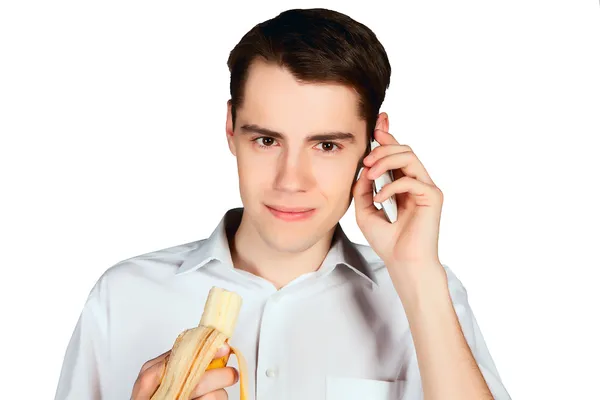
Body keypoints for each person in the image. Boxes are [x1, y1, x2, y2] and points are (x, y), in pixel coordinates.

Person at [54, 8, 511, 400]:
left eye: (326, 146)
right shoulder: (122, 297)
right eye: (268, 140)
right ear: (231, 128)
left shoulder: (428, 292)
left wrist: (416, 275)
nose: (291, 181)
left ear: (374, 141)